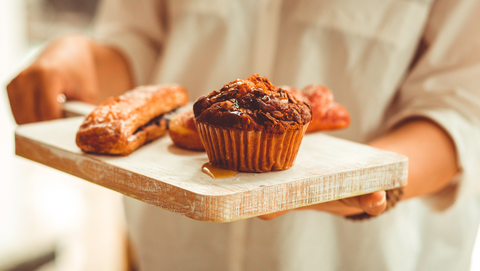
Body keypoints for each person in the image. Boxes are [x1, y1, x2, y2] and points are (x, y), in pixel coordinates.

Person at [6, 0, 480, 270]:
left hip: (359, 256)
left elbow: (460, 106)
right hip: (173, 247)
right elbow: (139, 43)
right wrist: (83, 58)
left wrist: (361, 178)